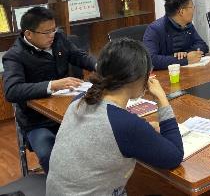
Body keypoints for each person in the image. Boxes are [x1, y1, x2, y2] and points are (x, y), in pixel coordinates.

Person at [46, 38, 183, 195]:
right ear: (136, 78)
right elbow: (174, 156)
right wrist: (162, 99)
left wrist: (143, 128)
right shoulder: (125, 125)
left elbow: (106, 129)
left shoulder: (80, 100)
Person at [2, 6, 96, 173]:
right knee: (49, 155)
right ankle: (62, 183)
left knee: (99, 138)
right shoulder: (14, 56)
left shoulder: (58, 38)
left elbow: (78, 56)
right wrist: (52, 85)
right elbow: (12, 90)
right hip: (37, 121)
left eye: (54, 29)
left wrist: (100, 65)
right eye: (46, 32)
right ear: (28, 34)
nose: (52, 35)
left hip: (69, 111)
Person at [143, 0, 206, 70]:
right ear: (181, 12)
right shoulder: (155, 29)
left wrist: (186, 54)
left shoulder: (187, 25)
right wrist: (184, 60)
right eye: (192, 7)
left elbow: (202, 45)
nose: (194, 10)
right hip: (166, 75)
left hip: (186, 71)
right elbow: (150, 60)